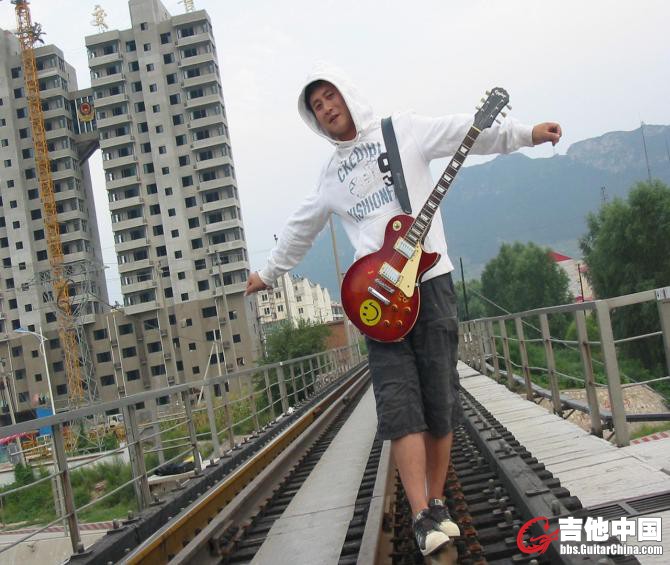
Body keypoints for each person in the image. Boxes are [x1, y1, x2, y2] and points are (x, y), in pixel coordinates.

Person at [245, 64, 561, 556]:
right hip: (376, 299)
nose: (326, 108)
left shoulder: (403, 130)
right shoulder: (329, 176)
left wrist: (526, 134)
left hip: (430, 284)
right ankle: (419, 514)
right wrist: (268, 273)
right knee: (399, 404)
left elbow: (464, 131)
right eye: (317, 106)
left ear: (347, 95)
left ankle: (436, 502)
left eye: (330, 97)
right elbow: (301, 226)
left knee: (441, 400)